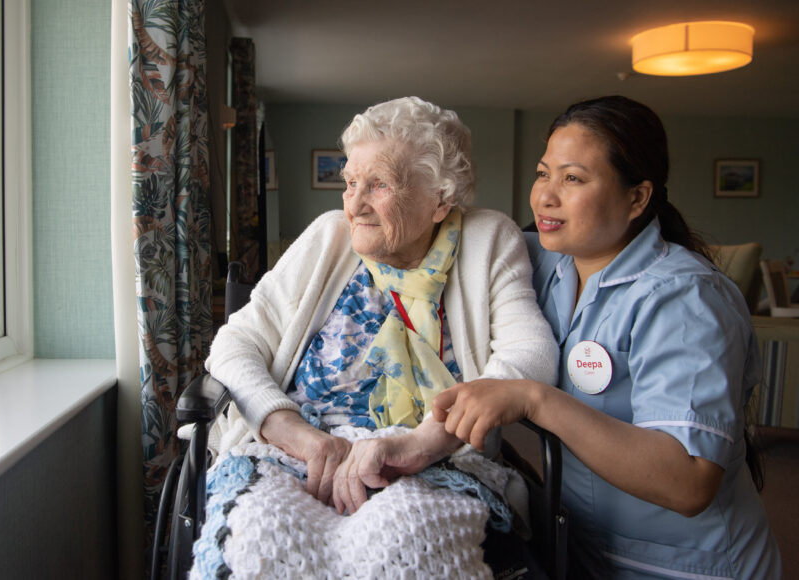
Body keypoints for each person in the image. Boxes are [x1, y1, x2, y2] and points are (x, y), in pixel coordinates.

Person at [195, 97, 558, 576]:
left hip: (430, 463)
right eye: (350, 183)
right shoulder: (328, 236)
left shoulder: (488, 238)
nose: (354, 202)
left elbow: (530, 354)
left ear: (440, 200)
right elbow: (234, 343)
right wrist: (295, 433)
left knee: (408, 550)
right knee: (257, 543)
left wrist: (424, 444)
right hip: (296, 451)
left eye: (379, 184)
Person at [428, 95, 782, 578]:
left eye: (573, 178)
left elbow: (688, 482)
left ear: (637, 197)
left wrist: (535, 399)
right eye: (542, 172)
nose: (545, 196)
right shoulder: (541, 261)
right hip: (581, 549)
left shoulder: (685, 299)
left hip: (684, 565)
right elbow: (435, 238)